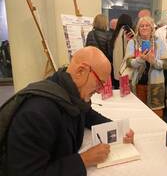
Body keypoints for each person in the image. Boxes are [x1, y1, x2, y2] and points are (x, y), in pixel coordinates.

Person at [5, 47, 134, 176]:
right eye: (100, 83)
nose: (100, 90)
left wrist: (119, 129)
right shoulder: (36, 115)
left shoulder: (71, 93)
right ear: (81, 71)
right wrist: (84, 160)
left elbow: (89, 115)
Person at [124, 16, 167, 118]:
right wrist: (140, 59)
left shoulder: (159, 42)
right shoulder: (133, 42)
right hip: (138, 84)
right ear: (138, 29)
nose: (144, 28)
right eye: (141, 26)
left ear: (152, 28)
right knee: (138, 114)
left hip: (155, 86)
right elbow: (128, 62)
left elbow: (165, 64)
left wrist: (153, 61)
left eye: (147, 25)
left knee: (156, 115)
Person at [110, 14, 134, 89]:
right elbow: (135, 44)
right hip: (125, 67)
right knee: (126, 93)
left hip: (117, 67)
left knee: (119, 91)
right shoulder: (127, 31)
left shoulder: (116, 33)